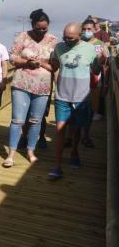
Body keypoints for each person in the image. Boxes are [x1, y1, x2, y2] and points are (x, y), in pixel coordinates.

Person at [48, 23, 105, 180]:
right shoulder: (59, 47)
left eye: (71, 39)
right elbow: (54, 65)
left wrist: (101, 62)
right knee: (60, 130)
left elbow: (96, 71)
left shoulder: (90, 49)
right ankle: (57, 166)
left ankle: (74, 152)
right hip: (62, 96)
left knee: (77, 128)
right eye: (64, 37)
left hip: (81, 97)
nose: (67, 41)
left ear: (80, 36)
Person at [2, 9, 57, 167]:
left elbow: (55, 65)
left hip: (43, 87)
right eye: (38, 28)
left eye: (44, 28)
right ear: (32, 25)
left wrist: (41, 64)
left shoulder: (53, 40)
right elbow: (12, 57)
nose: (41, 31)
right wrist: (27, 63)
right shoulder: (22, 37)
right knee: (17, 120)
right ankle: (11, 154)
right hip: (21, 84)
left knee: (35, 121)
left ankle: (30, 151)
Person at [78, 19, 109, 147]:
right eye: (84, 29)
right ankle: (71, 137)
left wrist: (106, 83)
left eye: (89, 29)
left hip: (94, 82)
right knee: (75, 110)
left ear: (94, 29)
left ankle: (86, 136)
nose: (86, 32)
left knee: (90, 110)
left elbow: (106, 65)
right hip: (77, 82)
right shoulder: (77, 42)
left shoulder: (101, 44)